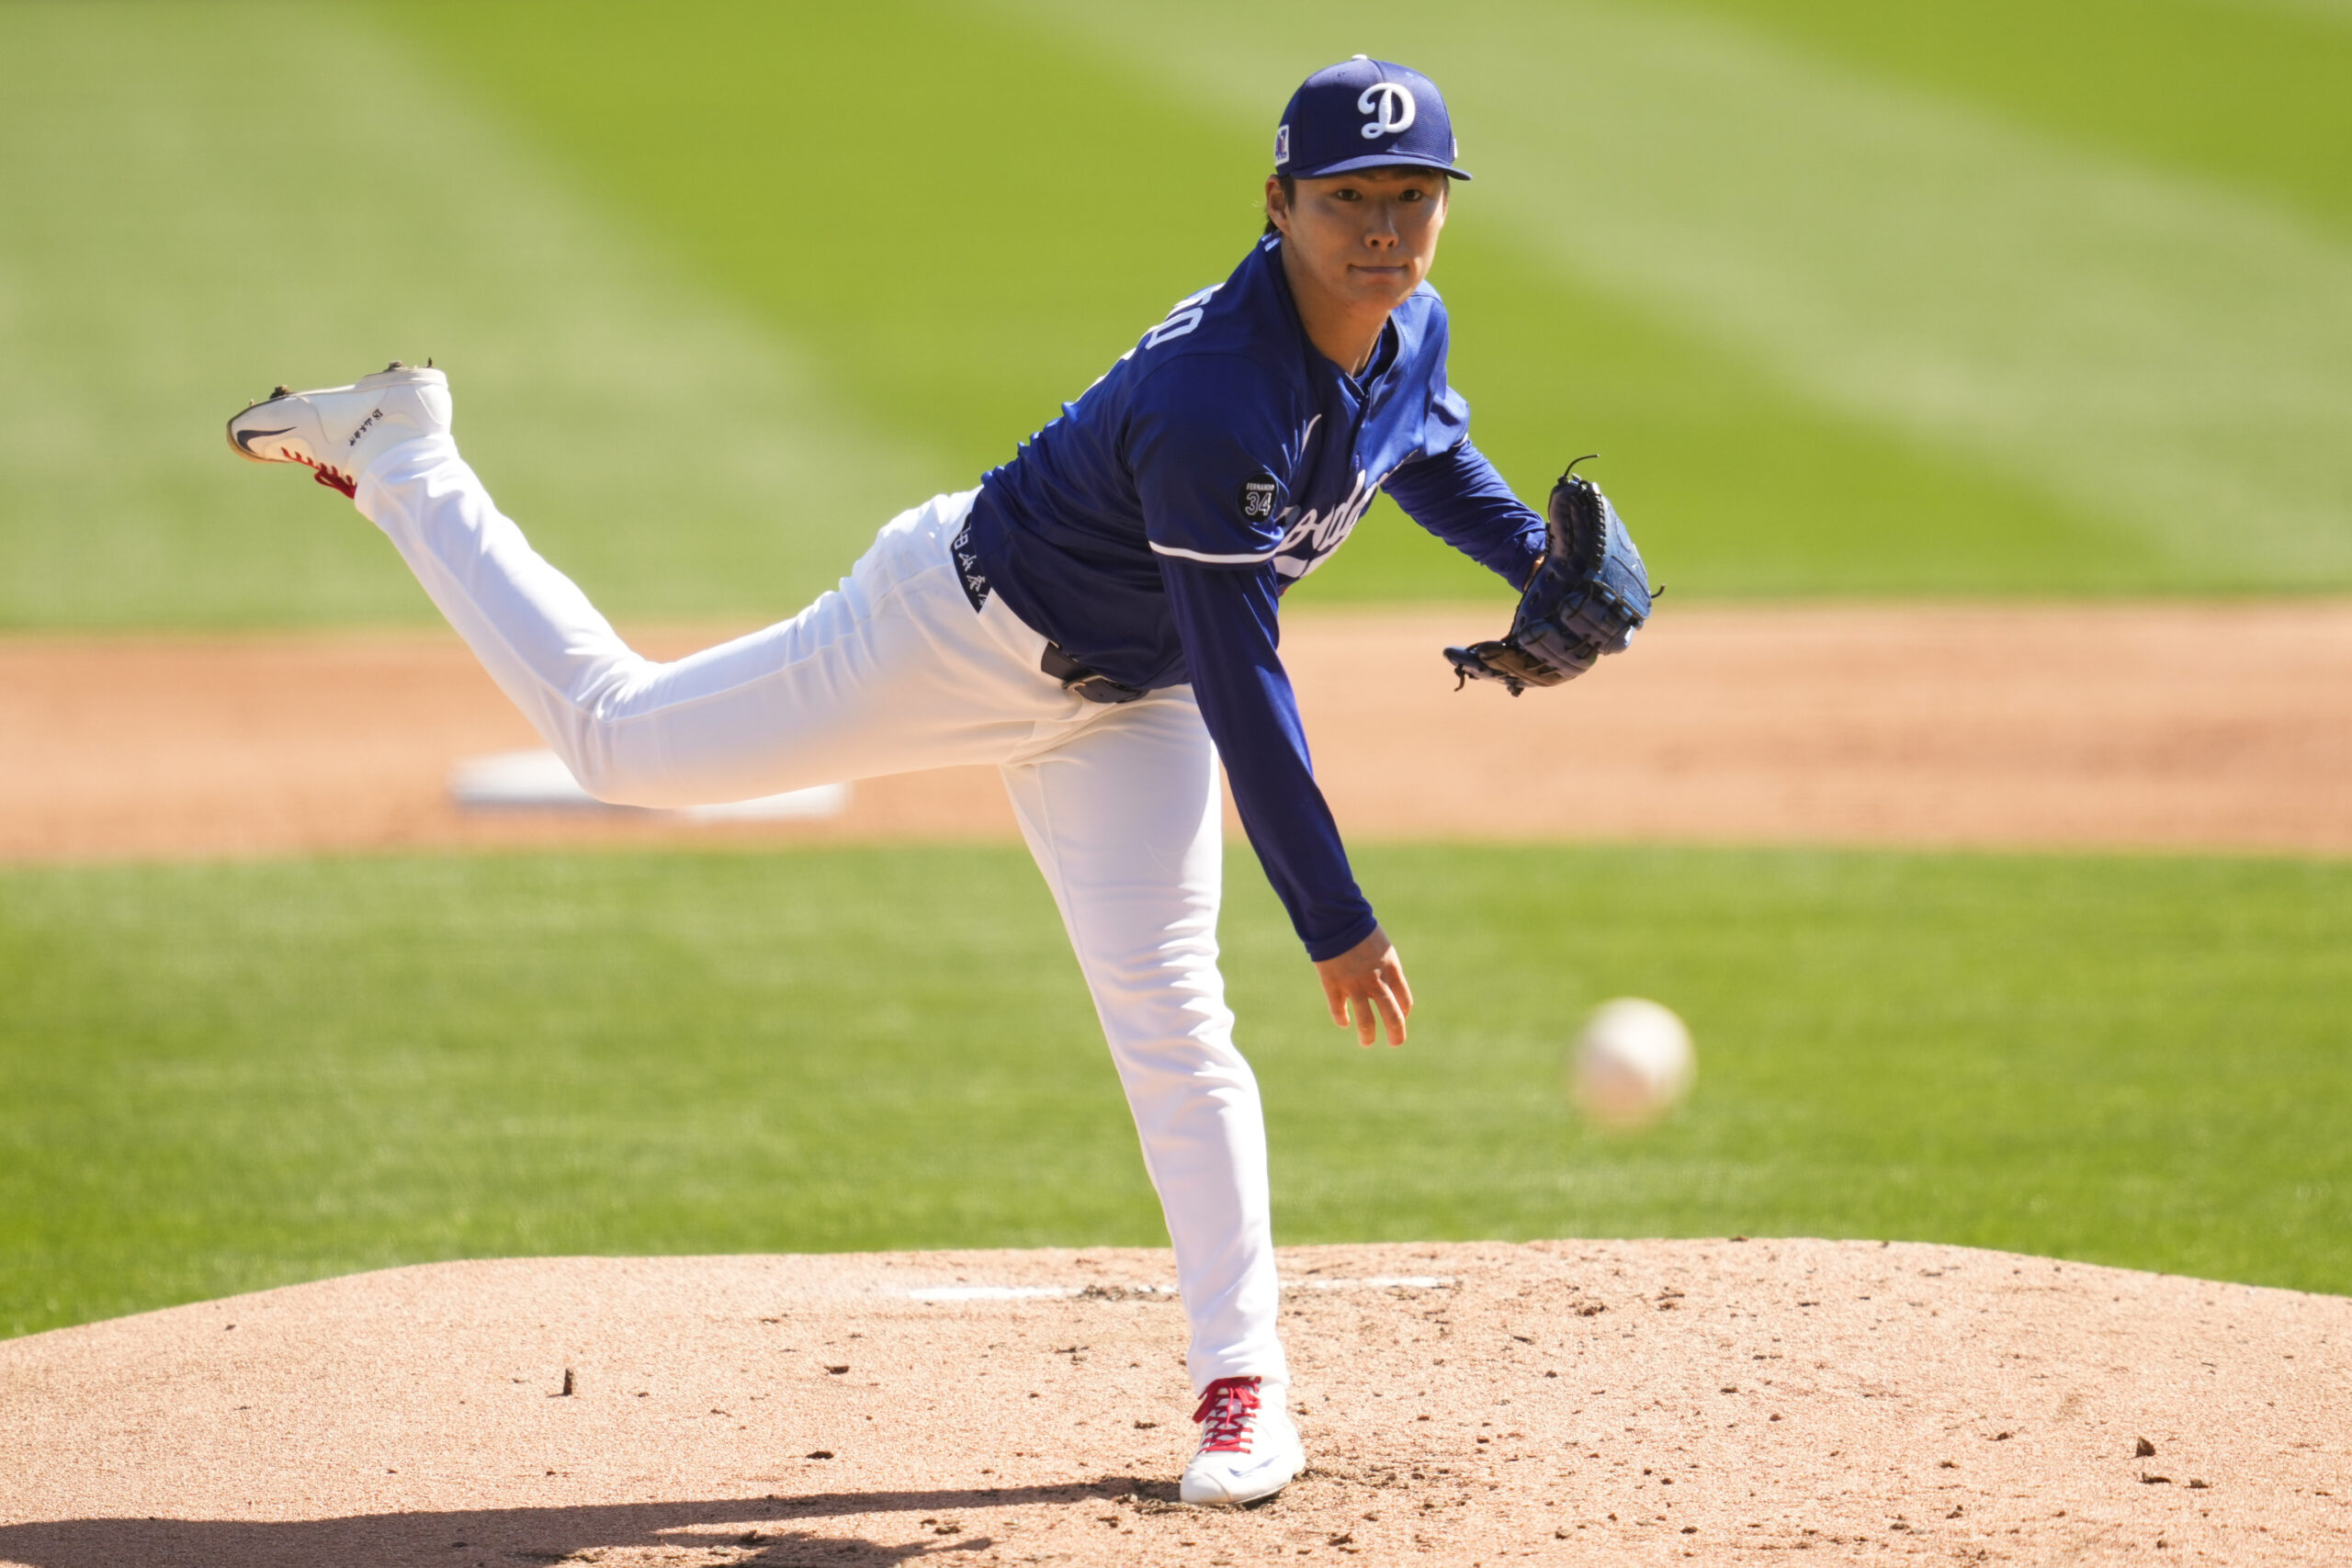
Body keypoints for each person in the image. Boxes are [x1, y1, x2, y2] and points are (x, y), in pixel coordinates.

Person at [227, 56, 1627, 1507]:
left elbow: (1423, 448)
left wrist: (1535, 559)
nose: (1387, 229)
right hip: (948, 632)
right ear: (1278, 204)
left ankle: (1242, 1388)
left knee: (1173, 1016)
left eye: (1414, 198)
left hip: (1123, 706)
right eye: (1352, 200)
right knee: (614, 739)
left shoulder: (1407, 326)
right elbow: (1242, 677)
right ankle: (406, 457)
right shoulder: (1221, 402)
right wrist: (1334, 916)